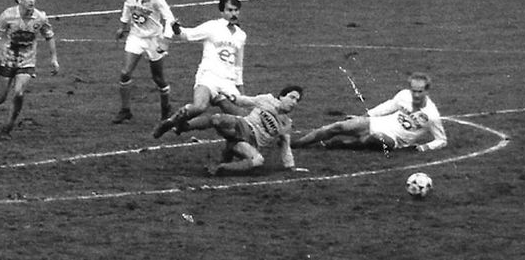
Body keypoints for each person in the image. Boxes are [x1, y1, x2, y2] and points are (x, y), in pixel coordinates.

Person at [152, 0, 246, 139]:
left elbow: (238, 64)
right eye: (229, 10)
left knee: (242, 117)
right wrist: (177, 30)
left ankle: (184, 127)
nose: (233, 14)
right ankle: (170, 122)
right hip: (209, 76)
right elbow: (188, 34)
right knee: (200, 106)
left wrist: (240, 88)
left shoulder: (241, 35)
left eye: (236, 10)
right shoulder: (212, 27)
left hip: (227, 81)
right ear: (222, 12)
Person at [293, 72, 447, 152]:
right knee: (339, 126)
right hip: (377, 123)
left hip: (393, 140)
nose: (416, 95)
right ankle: (298, 144)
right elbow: (388, 106)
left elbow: (441, 140)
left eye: (420, 91)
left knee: (376, 138)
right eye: (414, 91)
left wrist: (422, 148)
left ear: (427, 91)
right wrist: (364, 117)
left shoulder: (431, 115)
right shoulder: (404, 95)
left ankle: (345, 145)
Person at [174, 85, 304, 176]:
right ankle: (183, 126)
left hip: (248, 143)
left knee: (258, 160)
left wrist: (291, 167)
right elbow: (244, 100)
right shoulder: (267, 100)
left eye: (297, 100)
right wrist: (231, 98)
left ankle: (220, 168)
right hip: (243, 126)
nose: (294, 102)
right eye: (292, 97)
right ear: (281, 96)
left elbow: (286, 148)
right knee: (217, 119)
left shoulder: (287, 124)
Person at [0, 0, 59, 138]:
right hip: (6, 59)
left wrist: (54, 58)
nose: (31, 0)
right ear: (19, 0)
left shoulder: (40, 17)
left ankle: (8, 127)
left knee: (19, 93)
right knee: (0, 97)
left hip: (27, 61)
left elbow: (49, 35)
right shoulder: (8, 16)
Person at [112, 0, 176, 124]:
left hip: (154, 39)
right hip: (136, 36)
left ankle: (166, 108)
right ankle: (125, 110)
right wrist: (123, 26)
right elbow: (128, 7)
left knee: (158, 78)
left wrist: (166, 41)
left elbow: (170, 18)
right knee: (125, 73)